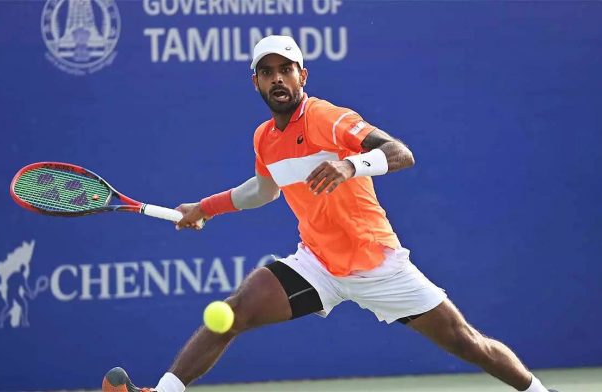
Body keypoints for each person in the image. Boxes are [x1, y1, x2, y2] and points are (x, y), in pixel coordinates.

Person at [102, 35, 556, 392]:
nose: (277, 79)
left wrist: (349, 164)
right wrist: (204, 208)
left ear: (302, 75)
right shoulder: (264, 137)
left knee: (466, 342)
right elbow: (263, 191)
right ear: (256, 82)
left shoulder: (327, 119)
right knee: (234, 311)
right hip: (317, 263)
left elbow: (401, 153)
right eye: (267, 72)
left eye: (285, 70)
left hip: (376, 263)